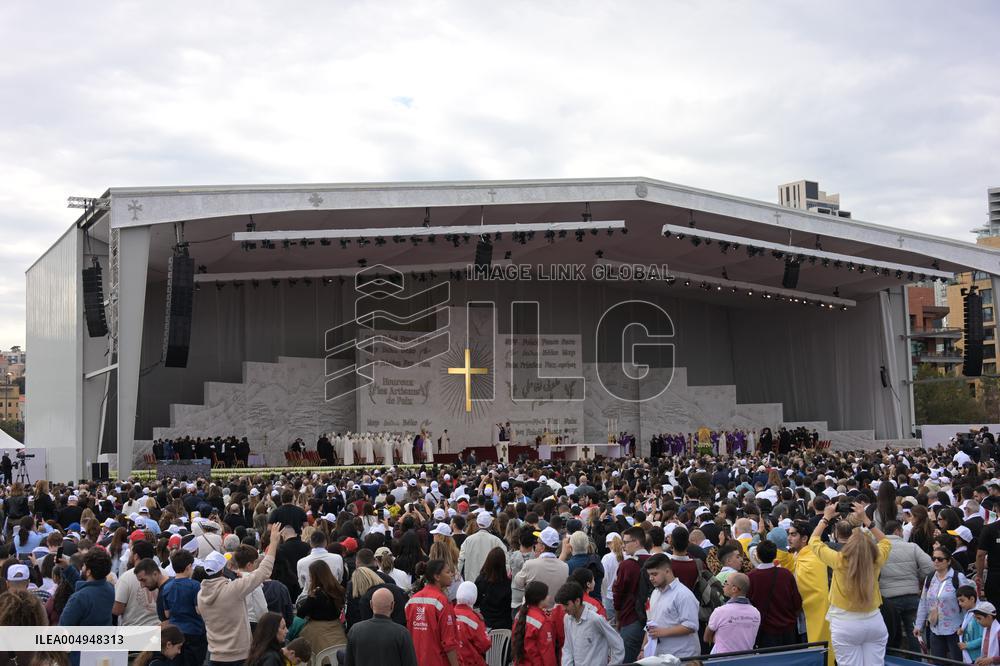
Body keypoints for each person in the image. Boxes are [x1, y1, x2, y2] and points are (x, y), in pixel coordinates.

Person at [809, 501, 892, 666]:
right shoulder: (876, 559)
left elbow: (814, 541)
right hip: (874, 620)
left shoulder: (839, 560)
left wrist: (826, 517)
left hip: (845, 623)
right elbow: (885, 542)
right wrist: (866, 520)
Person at [197, 522, 282, 666]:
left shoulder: (201, 595)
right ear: (223, 570)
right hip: (238, 656)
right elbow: (264, 571)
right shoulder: (233, 590)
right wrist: (273, 543)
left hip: (215, 656)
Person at [878, 519, 933, 652]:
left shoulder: (877, 549)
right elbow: (930, 567)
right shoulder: (912, 547)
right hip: (912, 595)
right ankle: (920, 661)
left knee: (890, 635)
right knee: (916, 633)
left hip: (888, 599)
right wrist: (917, 577)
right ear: (897, 531)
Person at [59, 548, 115, 666]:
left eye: (84, 566)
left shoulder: (79, 598)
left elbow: (63, 627)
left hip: (80, 657)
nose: (82, 568)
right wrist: (67, 568)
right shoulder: (109, 588)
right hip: (103, 652)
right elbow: (88, 588)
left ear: (88, 572)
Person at [915, 546, 971, 661]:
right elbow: (923, 603)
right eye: (933, 558)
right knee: (937, 662)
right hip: (935, 629)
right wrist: (918, 625)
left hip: (955, 630)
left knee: (958, 661)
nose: (936, 561)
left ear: (949, 561)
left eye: (940, 559)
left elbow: (969, 603)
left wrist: (966, 626)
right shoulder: (930, 578)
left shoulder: (958, 578)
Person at [641, 553, 700, 658]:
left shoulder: (684, 595)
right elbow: (650, 623)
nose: (650, 578)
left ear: (667, 571)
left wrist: (662, 632)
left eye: (654, 574)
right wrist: (643, 649)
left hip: (682, 656)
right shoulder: (655, 593)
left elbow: (691, 626)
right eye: (649, 574)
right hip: (660, 656)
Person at [405, 559, 461, 666]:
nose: (452, 574)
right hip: (437, 661)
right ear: (437, 577)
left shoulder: (411, 601)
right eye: (448, 572)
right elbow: (448, 642)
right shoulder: (442, 602)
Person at [747, 539, 802, 648]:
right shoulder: (786, 574)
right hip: (788, 629)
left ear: (757, 555)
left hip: (765, 631)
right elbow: (797, 602)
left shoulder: (751, 577)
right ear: (775, 554)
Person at [555, 581, 624, 666]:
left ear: (577, 601)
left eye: (566, 605)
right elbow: (568, 648)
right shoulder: (567, 619)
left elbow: (618, 644)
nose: (563, 609)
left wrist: (613, 663)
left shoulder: (595, 619)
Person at [345, 587, 418, 666]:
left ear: (371, 604)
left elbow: (348, 662)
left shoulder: (355, 630)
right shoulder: (402, 633)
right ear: (392, 605)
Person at [161, 549, 208, 666]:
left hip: (175, 632)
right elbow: (198, 610)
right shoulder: (195, 585)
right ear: (188, 567)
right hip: (194, 632)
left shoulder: (167, 587)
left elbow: (167, 614)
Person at [612, 526, 651, 661]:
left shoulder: (627, 565)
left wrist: (618, 617)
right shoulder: (658, 561)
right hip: (654, 620)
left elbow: (618, 594)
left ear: (636, 542)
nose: (623, 546)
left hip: (631, 619)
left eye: (626, 542)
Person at [296, 560, 348, 653]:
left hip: (317, 632)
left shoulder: (316, 594)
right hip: (337, 629)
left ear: (315, 576)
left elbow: (300, 613)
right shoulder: (338, 590)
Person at [513, 526, 569, 610]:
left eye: (537, 542)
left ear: (542, 548)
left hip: (533, 614)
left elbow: (518, 583)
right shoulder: (565, 567)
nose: (535, 545)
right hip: (554, 615)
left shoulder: (530, 564)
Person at [705, 572, 760, 655]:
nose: (723, 585)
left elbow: (706, 637)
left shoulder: (720, 611)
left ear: (734, 589)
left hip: (722, 660)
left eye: (726, 583)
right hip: (747, 659)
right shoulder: (756, 612)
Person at [512, 580, 556, 666]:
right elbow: (547, 653)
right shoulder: (543, 621)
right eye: (547, 595)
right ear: (540, 598)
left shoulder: (520, 615)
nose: (549, 597)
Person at [457, 511, 506, 583]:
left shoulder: (468, 540)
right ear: (490, 524)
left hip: (471, 582)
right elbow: (506, 559)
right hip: (489, 583)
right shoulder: (496, 541)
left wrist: (457, 576)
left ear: (477, 524)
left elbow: (460, 560)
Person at [296, 530, 344, 597]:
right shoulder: (337, 558)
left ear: (310, 543)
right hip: (332, 596)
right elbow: (339, 579)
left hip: (309, 597)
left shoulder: (301, 562)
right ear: (325, 542)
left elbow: (302, 584)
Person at [453, 581, 491, 666]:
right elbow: (485, 644)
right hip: (472, 661)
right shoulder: (474, 619)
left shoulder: (448, 613)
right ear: (474, 597)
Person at [474, 546, 512, 630]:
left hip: (485, 625)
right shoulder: (508, 584)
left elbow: (476, 603)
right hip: (504, 628)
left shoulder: (480, 581)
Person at [956, 585, 983, 663]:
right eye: (958, 601)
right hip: (969, 655)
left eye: (962, 600)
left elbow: (983, 638)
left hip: (978, 656)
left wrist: (967, 645)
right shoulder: (968, 614)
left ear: (972, 599)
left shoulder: (979, 615)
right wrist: (962, 631)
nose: (960, 604)